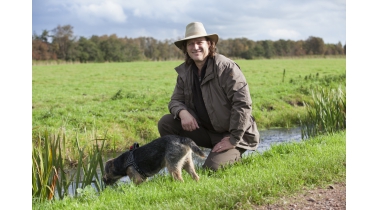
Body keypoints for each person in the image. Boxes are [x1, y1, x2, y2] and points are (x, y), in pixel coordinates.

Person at [158, 22, 260, 171]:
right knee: (166, 123)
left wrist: (233, 139)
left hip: (233, 133)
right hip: (205, 131)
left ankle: (232, 153)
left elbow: (242, 105)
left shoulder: (226, 68)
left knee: (211, 169)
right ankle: (182, 166)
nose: (195, 47)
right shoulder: (185, 72)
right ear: (186, 48)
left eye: (199, 42)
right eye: (190, 44)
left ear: (209, 44)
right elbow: (175, 101)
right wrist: (182, 112)